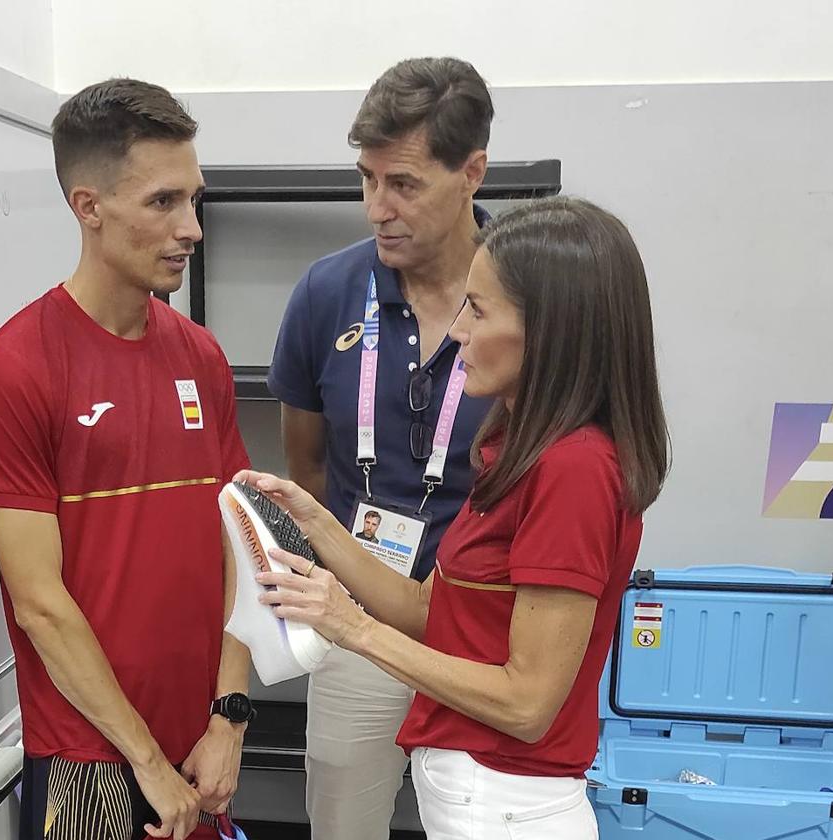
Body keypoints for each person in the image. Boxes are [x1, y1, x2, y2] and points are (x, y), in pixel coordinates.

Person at [247, 197, 670, 839]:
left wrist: (352, 628)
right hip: (474, 793)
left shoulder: (574, 469)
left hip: (504, 804)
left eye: (479, 308)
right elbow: (428, 612)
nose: (458, 331)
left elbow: (526, 704)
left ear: (550, 328)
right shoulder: (517, 445)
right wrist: (320, 526)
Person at [0, 79, 254, 840]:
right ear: (88, 206)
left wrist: (230, 715)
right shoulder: (17, 366)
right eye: (162, 203)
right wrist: (146, 762)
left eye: (194, 200)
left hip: (200, 744)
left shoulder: (202, 355)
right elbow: (39, 604)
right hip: (90, 758)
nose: (190, 227)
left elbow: (238, 545)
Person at [267, 57, 495, 838]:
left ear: (472, 173)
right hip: (360, 613)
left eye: (403, 184)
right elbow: (306, 461)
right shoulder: (327, 292)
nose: (377, 208)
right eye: (366, 180)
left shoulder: (531, 297)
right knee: (343, 819)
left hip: (486, 630)